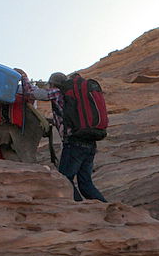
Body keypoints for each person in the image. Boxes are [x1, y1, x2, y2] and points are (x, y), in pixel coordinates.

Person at [23, 71, 106, 203]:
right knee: (85, 184)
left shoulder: (57, 92)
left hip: (74, 143)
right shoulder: (71, 98)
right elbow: (63, 117)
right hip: (90, 142)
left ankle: (79, 209)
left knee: (64, 180)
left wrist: (24, 78)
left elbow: (33, 93)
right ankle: (107, 210)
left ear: (53, 84)